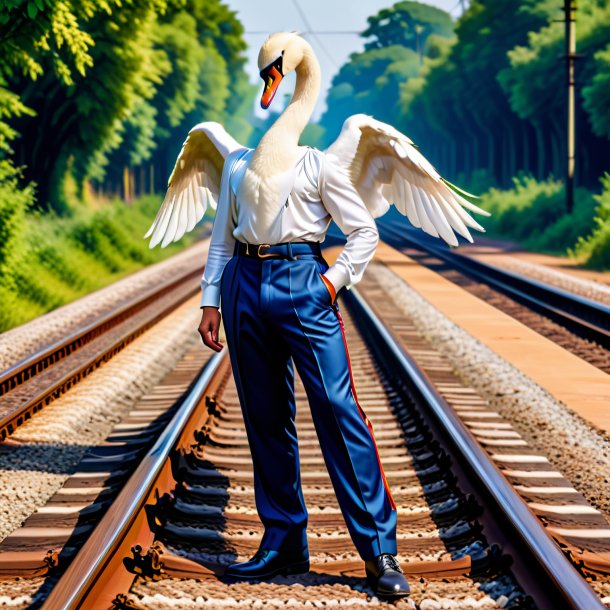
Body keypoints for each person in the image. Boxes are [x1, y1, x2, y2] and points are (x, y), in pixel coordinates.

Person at [197, 143, 410, 598]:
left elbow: (363, 231)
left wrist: (333, 282)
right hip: (243, 282)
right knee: (264, 415)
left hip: (304, 280)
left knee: (338, 407)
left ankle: (379, 550)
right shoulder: (237, 162)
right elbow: (222, 238)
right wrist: (210, 300)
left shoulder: (318, 163)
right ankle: (284, 541)